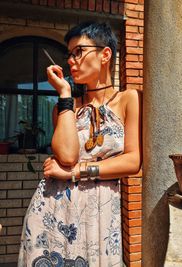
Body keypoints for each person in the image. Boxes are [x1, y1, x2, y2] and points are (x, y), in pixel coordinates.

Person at [18, 21, 141, 267]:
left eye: (79, 52)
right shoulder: (66, 107)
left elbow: (132, 161)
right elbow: (66, 156)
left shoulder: (128, 99)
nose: (71, 61)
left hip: (101, 214)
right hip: (53, 211)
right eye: (69, 54)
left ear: (105, 54)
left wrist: (76, 173)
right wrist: (64, 93)